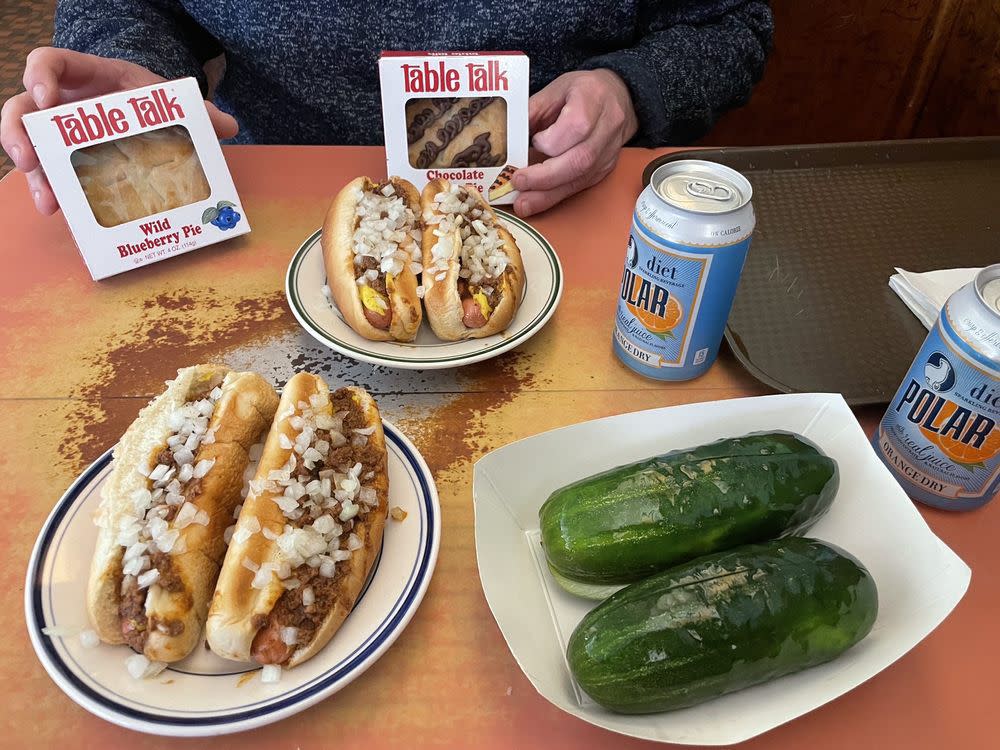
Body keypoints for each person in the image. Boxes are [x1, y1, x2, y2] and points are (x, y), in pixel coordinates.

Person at [1, 1, 772, 217]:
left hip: (549, 201)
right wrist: (144, 73)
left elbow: (730, 25)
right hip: (262, 203)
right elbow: (126, 6)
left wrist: (631, 91)